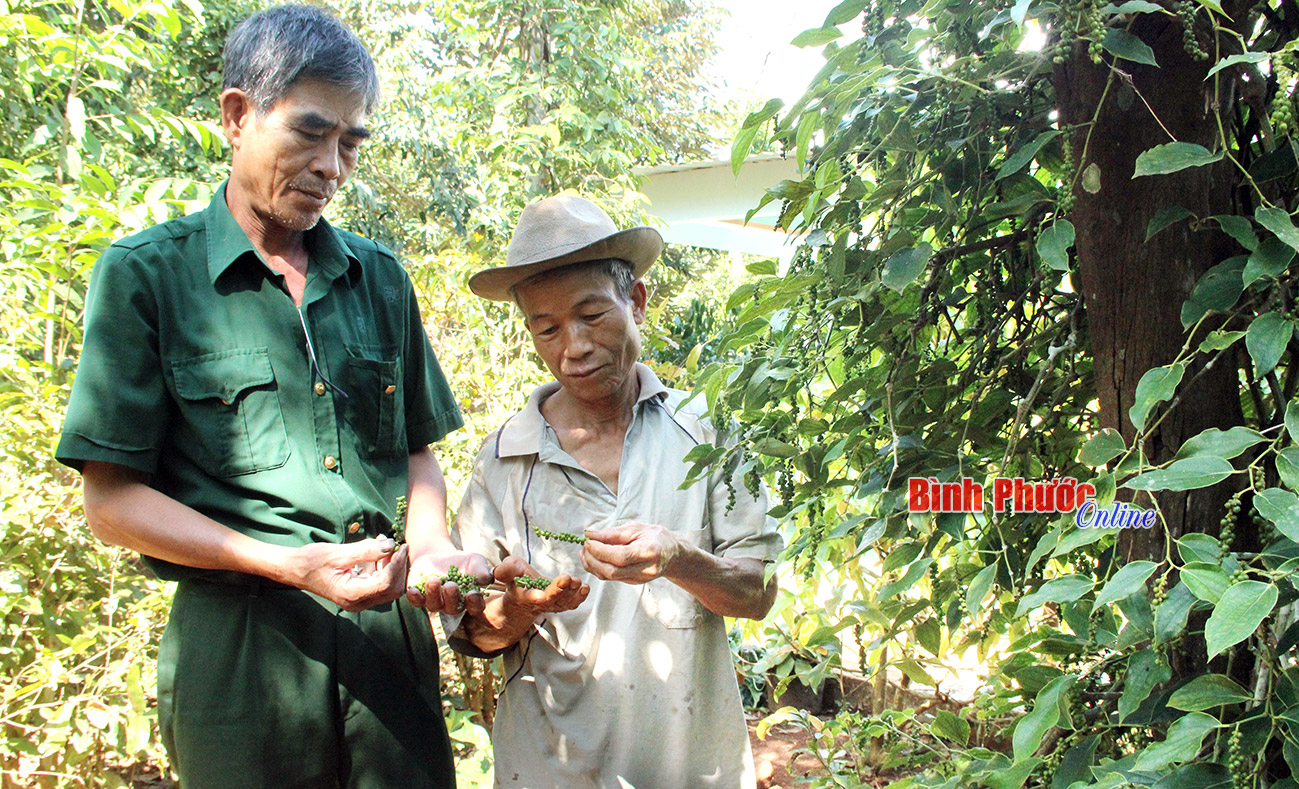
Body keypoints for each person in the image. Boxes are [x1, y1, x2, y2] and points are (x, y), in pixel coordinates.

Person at [55, 5, 489, 785]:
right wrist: (289, 565)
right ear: (236, 115)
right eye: (310, 134)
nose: (332, 166)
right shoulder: (148, 276)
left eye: (351, 144)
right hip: (240, 649)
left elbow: (413, 451)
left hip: (389, 641)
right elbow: (112, 504)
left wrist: (428, 552)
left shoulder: (378, 278)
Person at [448, 193, 784, 788]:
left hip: (689, 767)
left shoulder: (707, 433)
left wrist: (680, 558)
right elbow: (473, 633)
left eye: (592, 315)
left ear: (636, 301)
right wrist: (519, 608)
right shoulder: (504, 458)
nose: (572, 347)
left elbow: (756, 594)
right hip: (550, 769)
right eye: (546, 328)